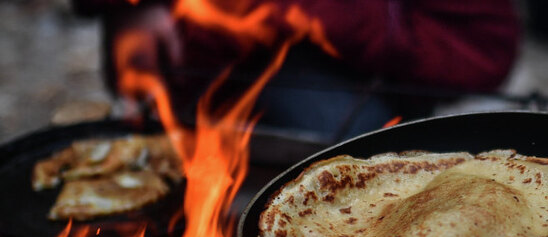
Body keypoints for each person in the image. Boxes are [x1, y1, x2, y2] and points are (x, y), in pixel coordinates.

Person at [73, 0, 520, 141]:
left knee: (351, 131)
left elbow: (486, 49)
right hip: (197, 67)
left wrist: (338, 16)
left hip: (354, 75)